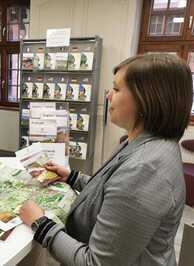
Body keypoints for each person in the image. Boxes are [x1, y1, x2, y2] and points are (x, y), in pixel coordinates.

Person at [19, 53, 193, 266]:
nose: (109, 95)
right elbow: (113, 192)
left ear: (147, 99)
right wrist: (72, 177)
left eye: (117, 89)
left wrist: (40, 224)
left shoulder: (146, 169)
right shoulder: (141, 143)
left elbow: (96, 263)